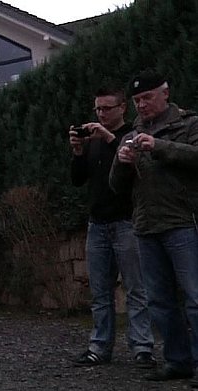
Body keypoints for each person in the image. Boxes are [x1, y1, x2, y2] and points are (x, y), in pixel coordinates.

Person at [110, 70, 198, 387]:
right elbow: (116, 187)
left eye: (147, 98)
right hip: (146, 226)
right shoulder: (130, 135)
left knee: (194, 296)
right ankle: (178, 361)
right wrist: (121, 161)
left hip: (183, 222)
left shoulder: (188, 124)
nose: (142, 105)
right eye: (137, 101)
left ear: (165, 93)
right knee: (159, 300)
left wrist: (159, 145)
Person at [68, 87, 156, 368]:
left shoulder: (132, 135)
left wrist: (108, 139)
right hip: (98, 223)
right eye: (98, 109)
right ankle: (99, 347)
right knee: (100, 291)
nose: (101, 114)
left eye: (107, 108)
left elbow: (132, 169)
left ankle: (143, 348)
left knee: (136, 289)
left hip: (127, 221)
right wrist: (79, 152)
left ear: (122, 108)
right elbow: (77, 180)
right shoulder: (93, 140)